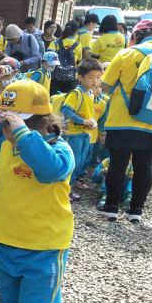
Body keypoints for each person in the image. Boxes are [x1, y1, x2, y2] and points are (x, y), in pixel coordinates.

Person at [0, 79, 74, 303]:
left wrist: (23, 135)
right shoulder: (8, 145)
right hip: (3, 240)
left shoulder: (60, 149)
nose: (7, 130)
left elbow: (49, 171)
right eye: (5, 123)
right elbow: (1, 166)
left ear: (39, 121)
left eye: (13, 123)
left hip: (43, 245)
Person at [99, 19, 152, 222]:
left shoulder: (127, 53)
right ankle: (136, 210)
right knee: (144, 165)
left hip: (123, 118)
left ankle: (111, 207)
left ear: (136, 36)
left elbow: (106, 86)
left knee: (118, 164)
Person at [60, 59, 104, 200]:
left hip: (85, 134)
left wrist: (91, 122)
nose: (95, 81)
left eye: (98, 77)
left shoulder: (90, 94)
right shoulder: (76, 93)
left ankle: (70, 188)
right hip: (73, 134)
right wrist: (83, 121)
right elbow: (66, 111)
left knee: (80, 163)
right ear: (80, 77)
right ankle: (64, 190)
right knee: (72, 163)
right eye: (91, 77)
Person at [50, 21, 83, 95]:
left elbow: (49, 56)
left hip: (56, 77)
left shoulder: (55, 42)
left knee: (54, 98)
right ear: (76, 32)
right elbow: (78, 62)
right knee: (69, 98)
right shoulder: (78, 45)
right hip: (71, 78)